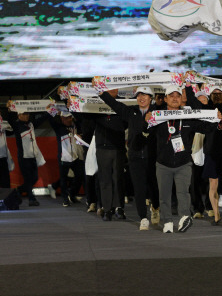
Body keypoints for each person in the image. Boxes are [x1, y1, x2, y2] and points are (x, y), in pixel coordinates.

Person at [146, 85, 219, 233]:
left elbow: (205, 128)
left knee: (183, 193)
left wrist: (216, 120)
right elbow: (144, 129)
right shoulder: (158, 115)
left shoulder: (188, 116)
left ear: (181, 99)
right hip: (163, 163)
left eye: (177, 96)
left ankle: (185, 217)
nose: (174, 98)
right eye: (171, 96)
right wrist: (146, 119)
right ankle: (167, 221)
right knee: (164, 195)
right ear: (165, 99)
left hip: (183, 163)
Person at [100, 86, 160, 230]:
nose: (142, 97)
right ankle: (143, 218)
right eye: (139, 95)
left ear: (151, 98)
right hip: (135, 157)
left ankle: (156, 208)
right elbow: (114, 104)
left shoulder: (158, 112)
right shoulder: (131, 112)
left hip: (153, 157)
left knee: (154, 187)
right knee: (139, 189)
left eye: (145, 95)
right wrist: (101, 91)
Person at [186, 84, 222, 225]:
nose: (216, 95)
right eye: (213, 92)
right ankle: (216, 214)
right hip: (211, 151)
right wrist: (188, 85)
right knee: (213, 184)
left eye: (219, 92)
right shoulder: (206, 109)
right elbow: (192, 102)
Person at [73, 89, 127, 221]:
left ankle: (119, 208)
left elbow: (124, 124)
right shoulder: (96, 105)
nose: (111, 91)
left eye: (114, 88)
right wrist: (72, 105)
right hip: (102, 147)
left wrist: (109, 122)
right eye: (108, 88)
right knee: (105, 180)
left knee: (118, 179)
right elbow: (85, 117)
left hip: (118, 147)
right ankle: (107, 209)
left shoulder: (123, 104)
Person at [8, 110, 51, 206]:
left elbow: (42, 119)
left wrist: (50, 110)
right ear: (19, 115)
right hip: (23, 156)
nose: (27, 116)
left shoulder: (31, 124)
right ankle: (31, 199)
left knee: (34, 178)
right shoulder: (16, 125)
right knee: (28, 179)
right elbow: (10, 119)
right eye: (24, 114)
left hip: (33, 156)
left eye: (28, 114)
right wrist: (10, 109)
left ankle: (18, 190)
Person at [47, 111, 86, 207]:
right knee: (63, 179)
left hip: (76, 156)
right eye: (66, 118)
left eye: (70, 117)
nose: (68, 119)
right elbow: (50, 119)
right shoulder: (58, 127)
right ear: (62, 119)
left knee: (80, 176)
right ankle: (65, 199)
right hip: (64, 157)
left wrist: (71, 106)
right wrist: (51, 110)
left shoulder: (76, 125)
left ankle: (72, 195)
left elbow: (80, 118)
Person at [0, 114, 14, 189]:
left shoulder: (3, 121)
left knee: (5, 182)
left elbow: (11, 132)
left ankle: (5, 199)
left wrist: (10, 113)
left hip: (3, 155)